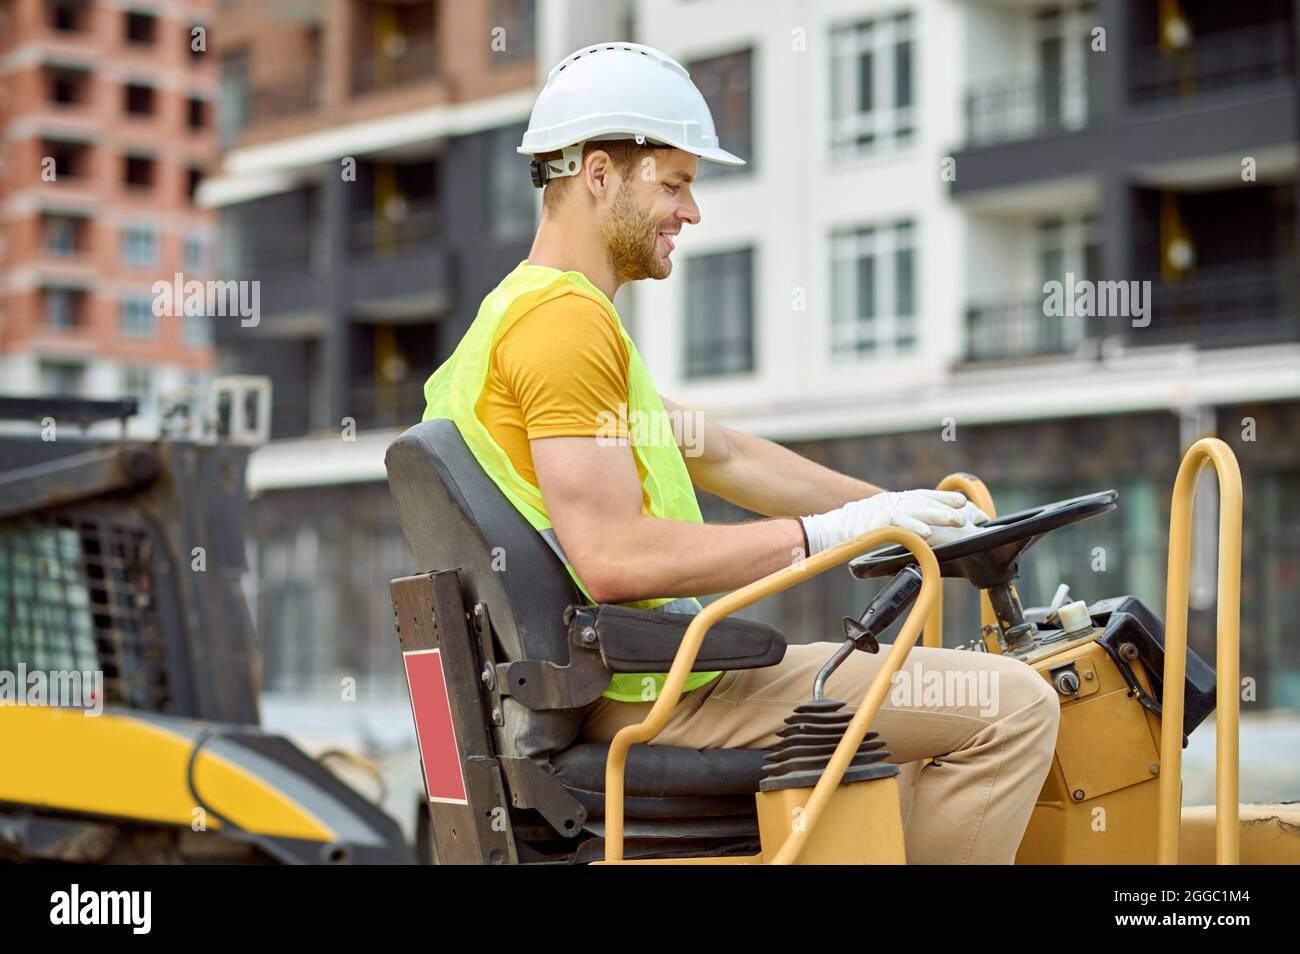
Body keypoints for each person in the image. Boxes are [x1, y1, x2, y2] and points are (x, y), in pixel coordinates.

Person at [422, 42, 1059, 863]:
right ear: (599, 174)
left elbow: (720, 454)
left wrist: (890, 511)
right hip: (656, 694)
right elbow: (612, 557)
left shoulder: (516, 319)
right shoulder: (563, 328)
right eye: (674, 183)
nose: (690, 212)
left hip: (630, 684)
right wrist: (827, 537)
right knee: (1015, 706)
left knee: (917, 735)